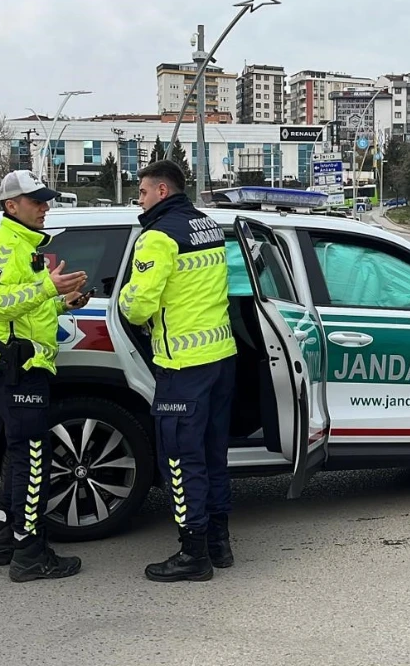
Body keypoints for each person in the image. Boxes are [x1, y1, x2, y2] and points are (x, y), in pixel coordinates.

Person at [119, 160, 238, 582]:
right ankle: (219, 544)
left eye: (143, 192)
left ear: (162, 191)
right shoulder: (209, 227)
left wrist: (123, 296)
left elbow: (138, 306)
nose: (139, 199)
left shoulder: (157, 237)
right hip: (221, 356)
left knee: (181, 461)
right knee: (213, 455)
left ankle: (193, 554)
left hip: (182, 365)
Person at [0, 170, 89, 582]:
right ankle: (30, 554)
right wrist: (47, 289)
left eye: (45, 200)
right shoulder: (6, 246)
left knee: (22, 454)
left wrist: (63, 302)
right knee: (33, 457)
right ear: (12, 205)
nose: (45, 207)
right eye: (36, 201)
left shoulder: (25, 245)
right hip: (15, 367)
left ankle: (4, 540)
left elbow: (26, 310)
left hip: (20, 365)